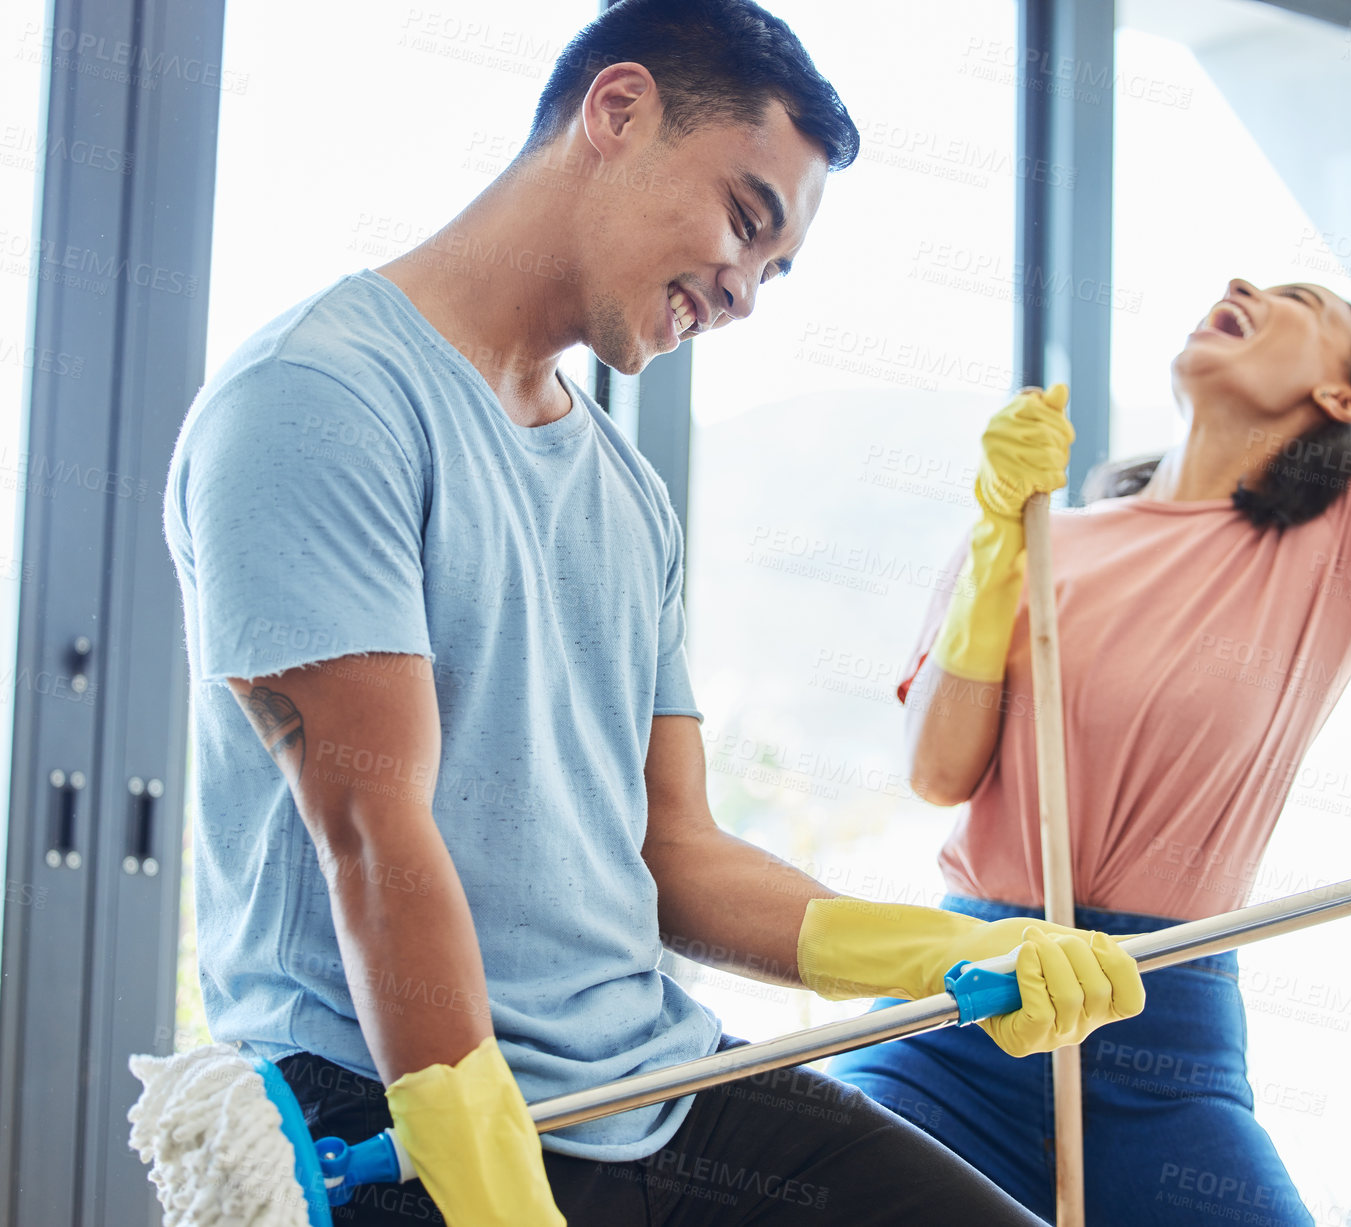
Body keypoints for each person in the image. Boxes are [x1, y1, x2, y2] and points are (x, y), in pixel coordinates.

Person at [162, 2, 1143, 1224]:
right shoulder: (321, 401)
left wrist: (944, 953)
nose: (743, 294)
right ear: (616, 112)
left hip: (655, 1084)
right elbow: (372, 833)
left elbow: (672, 852)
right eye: (745, 220)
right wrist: (493, 1193)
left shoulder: (627, 497)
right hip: (391, 1105)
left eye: (775, 272)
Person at [829, 122, 1351, 1225]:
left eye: (1300, 301)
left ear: (1346, 403)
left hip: (1164, 1046)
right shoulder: (1038, 536)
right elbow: (938, 772)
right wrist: (995, 542)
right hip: (969, 1012)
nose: (1245, 282)